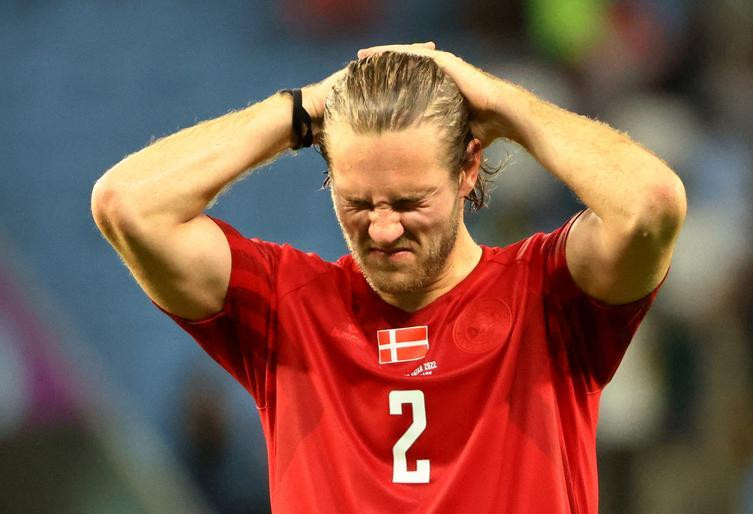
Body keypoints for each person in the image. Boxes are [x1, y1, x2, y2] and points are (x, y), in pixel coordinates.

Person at [91, 42, 686, 513]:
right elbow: (127, 204)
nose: (380, 230)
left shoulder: (549, 296)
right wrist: (300, 111)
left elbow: (652, 203)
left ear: (468, 167)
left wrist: (503, 105)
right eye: (357, 201)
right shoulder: (287, 307)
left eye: (407, 202)